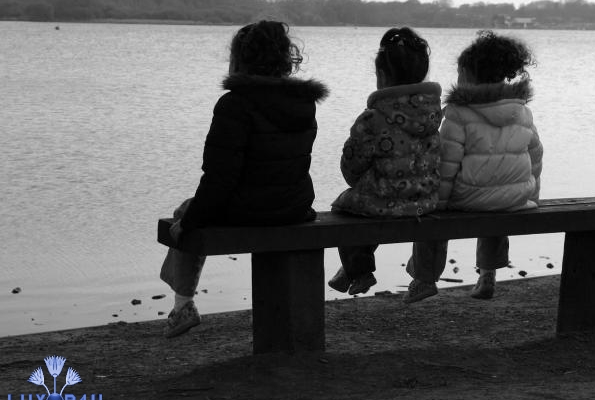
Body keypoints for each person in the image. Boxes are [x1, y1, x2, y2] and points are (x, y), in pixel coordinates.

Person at [161, 20, 329, 337]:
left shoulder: (234, 105)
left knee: (186, 212)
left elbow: (219, 177)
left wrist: (190, 221)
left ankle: (183, 305)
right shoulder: (304, 104)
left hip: (247, 209)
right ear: (286, 59)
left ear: (240, 59)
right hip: (293, 208)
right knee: (197, 210)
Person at [404, 30, 543, 303]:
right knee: (500, 197)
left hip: (468, 198)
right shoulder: (522, 110)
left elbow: (446, 164)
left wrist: (438, 203)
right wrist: (531, 195)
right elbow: (536, 155)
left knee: (433, 213)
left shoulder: (458, 113)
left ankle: (424, 278)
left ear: (468, 75)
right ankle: (488, 275)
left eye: (459, 73)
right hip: (514, 199)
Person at [327, 27, 442, 296]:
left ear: (381, 75)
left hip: (385, 201)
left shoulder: (372, 118)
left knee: (344, 208)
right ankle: (353, 271)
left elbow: (352, 168)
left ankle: (359, 271)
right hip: (425, 201)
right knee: (371, 202)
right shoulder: (433, 116)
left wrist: (363, 181)